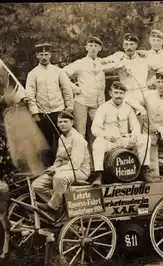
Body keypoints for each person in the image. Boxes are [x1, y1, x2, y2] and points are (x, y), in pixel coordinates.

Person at [91, 81, 152, 186]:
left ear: (124, 94)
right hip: (110, 141)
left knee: (145, 138)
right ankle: (98, 175)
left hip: (124, 139)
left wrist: (133, 137)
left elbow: (135, 126)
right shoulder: (103, 108)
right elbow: (95, 128)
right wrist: (106, 136)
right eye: (116, 92)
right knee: (98, 143)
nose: (118, 95)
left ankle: (143, 170)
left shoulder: (127, 108)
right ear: (110, 93)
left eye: (121, 93)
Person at [32, 109, 91, 216]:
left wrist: (57, 170)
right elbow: (59, 159)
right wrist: (53, 167)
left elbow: (75, 164)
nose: (62, 124)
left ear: (72, 122)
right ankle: (61, 201)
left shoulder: (78, 139)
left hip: (79, 171)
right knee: (37, 185)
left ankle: (53, 207)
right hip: (63, 169)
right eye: (60, 122)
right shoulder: (62, 138)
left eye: (65, 121)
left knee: (59, 178)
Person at [25, 43, 75, 165]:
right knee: (45, 142)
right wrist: (35, 113)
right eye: (41, 54)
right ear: (37, 55)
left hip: (59, 111)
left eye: (46, 54)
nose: (44, 57)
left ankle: (64, 164)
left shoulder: (58, 71)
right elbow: (30, 95)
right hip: (43, 113)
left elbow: (66, 89)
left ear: (50, 55)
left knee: (62, 140)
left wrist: (69, 108)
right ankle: (48, 167)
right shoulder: (33, 74)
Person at [62, 36, 105, 168]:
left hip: (98, 103)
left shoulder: (103, 62)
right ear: (86, 47)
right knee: (80, 133)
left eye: (96, 46)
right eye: (90, 45)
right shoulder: (80, 63)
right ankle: (81, 166)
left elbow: (120, 60)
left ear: (100, 48)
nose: (93, 48)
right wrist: (75, 88)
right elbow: (63, 73)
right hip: (82, 101)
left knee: (99, 133)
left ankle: (97, 166)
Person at [101, 33, 149, 115]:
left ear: (136, 45)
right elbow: (101, 66)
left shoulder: (144, 57)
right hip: (127, 94)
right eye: (126, 44)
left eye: (132, 44)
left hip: (143, 92)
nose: (129, 47)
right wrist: (117, 65)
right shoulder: (118, 57)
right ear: (123, 45)